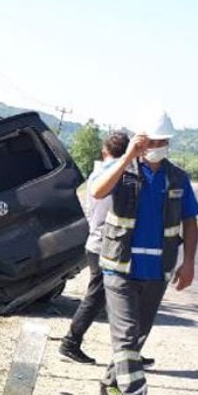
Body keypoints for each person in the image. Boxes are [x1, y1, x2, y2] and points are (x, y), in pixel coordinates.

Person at [91, 113, 198, 395]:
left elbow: (190, 221)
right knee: (126, 338)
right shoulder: (120, 168)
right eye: (152, 139)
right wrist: (127, 157)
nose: (157, 144)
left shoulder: (177, 178)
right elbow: (97, 191)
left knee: (136, 338)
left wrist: (188, 262)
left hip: (157, 271)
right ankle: (135, 391)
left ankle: (108, 385)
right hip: (119, 268)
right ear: (140, 139)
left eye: (163, 140)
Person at [59, 132, 133, 364]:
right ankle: (70, 343)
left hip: (98, 242)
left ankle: (129, 352)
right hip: (106, 244)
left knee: (120, 300)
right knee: (97, 297)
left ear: (104, 150)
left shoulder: (100, 172)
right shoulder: (119, 177)